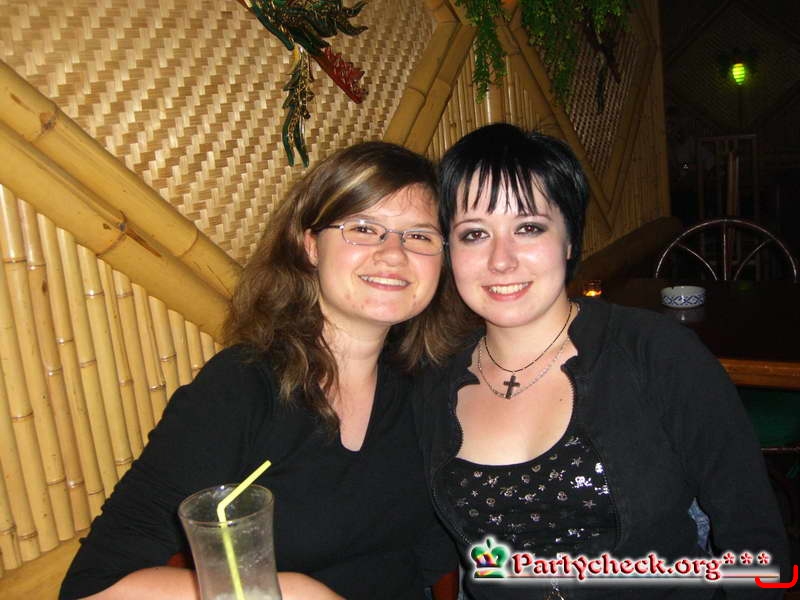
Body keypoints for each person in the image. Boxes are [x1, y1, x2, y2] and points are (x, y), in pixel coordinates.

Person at [60, 141, 459, 600]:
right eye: (363, 228)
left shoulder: (426, 382)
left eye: (419, 236)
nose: (393, 254)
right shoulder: (242, 387)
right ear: (310, 246)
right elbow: (96, 587)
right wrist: (293, 592)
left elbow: (434, 552)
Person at [413, 123, 790, 599]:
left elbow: (755, 543)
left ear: (570, 240)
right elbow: (431, 547)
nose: (501, 260)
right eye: (474, 234)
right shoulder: (434, 383)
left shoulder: (654, 353)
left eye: (528, 228)